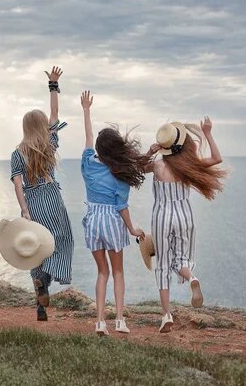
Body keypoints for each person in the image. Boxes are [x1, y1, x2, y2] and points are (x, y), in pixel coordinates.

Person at [145, 116, 227, 333]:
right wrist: (208, 132)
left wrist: (150, 152)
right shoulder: (189, 165)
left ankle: (166, 315)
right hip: (184, 216)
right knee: (182, 259)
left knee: (163, 264)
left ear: (164, 145)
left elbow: (137, 169)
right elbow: (217, 158)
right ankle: (192, 277)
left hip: (162, 216)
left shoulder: (157, 165)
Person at [80, 91, 147, 336]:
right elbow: (122, 207)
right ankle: (119, 320)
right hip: (111, 222)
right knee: (118, 272)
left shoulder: (87, 164)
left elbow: (88, 137)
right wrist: (132, 229)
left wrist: (86, 110)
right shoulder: (120, 174)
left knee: (102, 272)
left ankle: (99, 322)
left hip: (93, 222)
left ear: (98, 149)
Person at [10, 66, 74, 321]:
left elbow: (17, 183)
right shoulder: (48, 144)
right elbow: (55, 113)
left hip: (32, 202)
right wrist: (53, 85)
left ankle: (39, 288)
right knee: (60, 240)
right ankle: (48, 276)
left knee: (34, 247)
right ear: (41, 126)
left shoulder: (17, 153)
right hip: (51, 199)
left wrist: (24, 210)